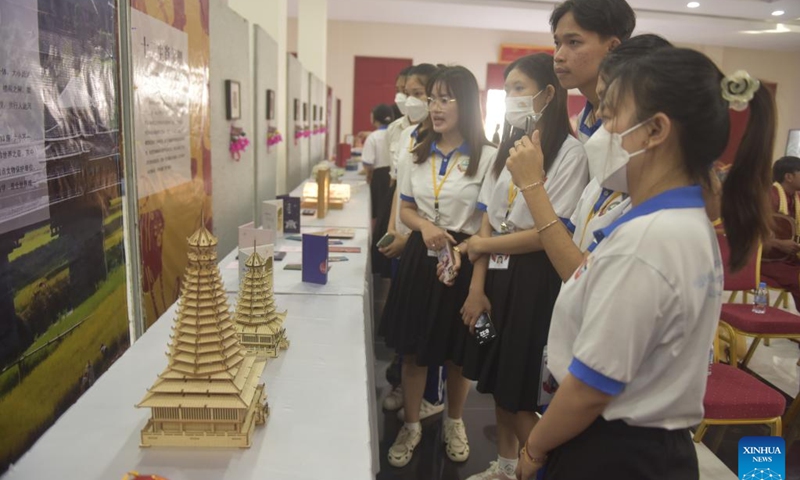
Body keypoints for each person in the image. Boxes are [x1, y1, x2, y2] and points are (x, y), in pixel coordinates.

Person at [507, 47, 774, 480]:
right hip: (637, 444)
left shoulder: (650, 240)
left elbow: (592, 388)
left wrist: (534, 450)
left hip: (614, 450)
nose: (601, 132)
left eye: (611, 118)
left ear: (654, 130)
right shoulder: (676, 222)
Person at [452, 53, 588, 480]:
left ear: (549, 94)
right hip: (495, 279)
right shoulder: (509, 150)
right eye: (506, 88)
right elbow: (489, 217)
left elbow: (545, 234)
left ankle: (535, 469)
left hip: (534, 284)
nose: (510, 97)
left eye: (518, 88)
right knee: (494, 372)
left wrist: (483, 244)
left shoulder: (570, 154)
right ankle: (505, 464)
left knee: (521, 384)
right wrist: (477, 288)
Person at [381, 66, 496, 468]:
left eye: (446, 99)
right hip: (420, 257)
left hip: (463, 260)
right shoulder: (417, 146)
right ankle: (411, 425)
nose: (436, 107)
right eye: (432, 99)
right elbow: (407, 210)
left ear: (467, 103)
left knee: (458, 354)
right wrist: (425, 227)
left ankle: (453, 420)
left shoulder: (488, 157)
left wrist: (475, 279)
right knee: (413, 351)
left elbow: (486, 228)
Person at [379, 65, 448, 421]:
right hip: (407, 231)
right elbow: (400, 192)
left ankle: (432, 396)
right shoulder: (405, 134)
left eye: (419, 93)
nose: (411, 100)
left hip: (433, 243)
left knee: (436, 328)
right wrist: (395, 231)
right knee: (408, 323)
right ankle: (404, 385)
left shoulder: (449, 141)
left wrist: (409, 238)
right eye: (406, 92)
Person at [761, 156, 800, 306]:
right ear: (789, 177)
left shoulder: (796, 198)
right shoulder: (768, 197)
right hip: (767, 260)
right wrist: (778, 244)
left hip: (790, 259)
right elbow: (748, 235)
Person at [361, 103, 395, 220]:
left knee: (378, 212)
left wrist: (368, 176)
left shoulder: (373, 137)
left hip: (379, 178)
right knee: (390, 211)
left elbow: (368, 164)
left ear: (374, 119)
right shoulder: (397, 135)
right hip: (394, 177)